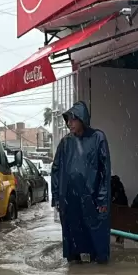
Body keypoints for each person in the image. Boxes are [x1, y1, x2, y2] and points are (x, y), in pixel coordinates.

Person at [51, 101, 112, 264]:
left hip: (91, 198)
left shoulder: (98, 137)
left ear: (82, 119)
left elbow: (105, 170)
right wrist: (56, 197)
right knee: (72, 237)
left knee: (96, 238)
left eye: (72, 119)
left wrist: (102, 198)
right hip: (69, 199)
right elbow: (56, 169)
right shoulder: (65, 143)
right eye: (68, 120)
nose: (69, 124)